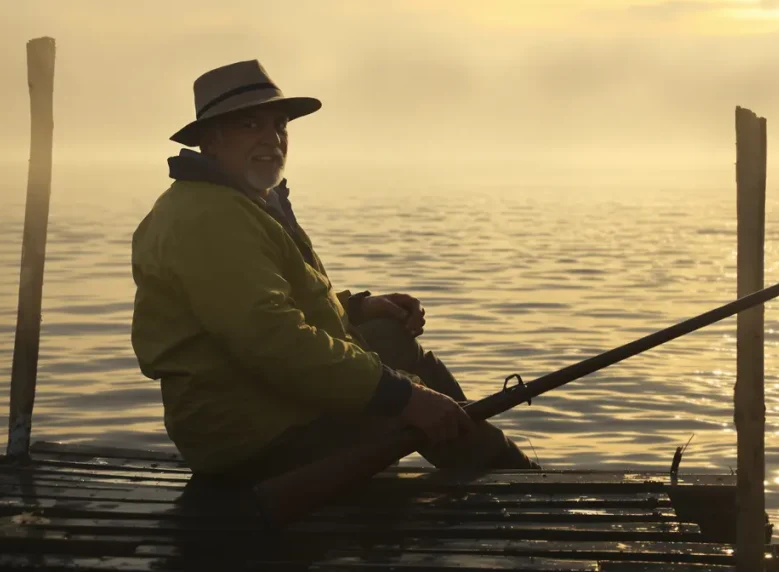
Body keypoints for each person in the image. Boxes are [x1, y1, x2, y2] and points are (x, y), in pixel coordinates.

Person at [130, 59, 539, 486]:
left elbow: (256, 308)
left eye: (280, 126)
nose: (272, 139)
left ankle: (490, 459)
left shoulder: (240, 202)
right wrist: (405, 397)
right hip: (249, 435)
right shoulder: (210, 219)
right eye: (251, 125)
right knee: (407, 403)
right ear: (210, 141)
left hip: (266, 399)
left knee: (387, 338)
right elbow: (272, 339)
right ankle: (521, 488)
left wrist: (357, 310)